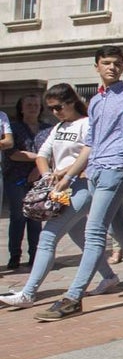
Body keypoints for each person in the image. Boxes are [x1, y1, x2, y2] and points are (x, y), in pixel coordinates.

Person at [40, 46, 123, 321]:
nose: (112, 67)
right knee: (119, 227)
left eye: (117, 63)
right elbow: (89, 145)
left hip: (118, 168)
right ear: (97, 66)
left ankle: (73, 297)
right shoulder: (95, 101)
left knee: (95, 231)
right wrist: (69, 177)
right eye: (107, 63)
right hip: (94, 170)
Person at [0, 84, 119, 308]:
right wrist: (47, 176)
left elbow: (89, 153)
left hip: (82, 185)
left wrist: (66, 173)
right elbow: (42, 154)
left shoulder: (87, 124)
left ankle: (28, 293)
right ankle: (110, 276)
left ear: (71, 102)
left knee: (48, 237)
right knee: (78, 235)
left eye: (58, 107)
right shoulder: (58, 127)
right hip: (62, 189)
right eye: (51, 108)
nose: (55, 112)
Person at [4, 94, 50, 270]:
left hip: (39, 179)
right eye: (29, 105)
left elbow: (53, 152)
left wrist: (38, 168)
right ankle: (14, 256)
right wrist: (40, 158)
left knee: (36, 217)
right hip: (15, 178)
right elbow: (12, 153)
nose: (33, 108)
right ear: (21, 108)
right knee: (18, 217)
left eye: (36, 105)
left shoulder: (47, 129)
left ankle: (35, 256)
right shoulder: (13, 128)